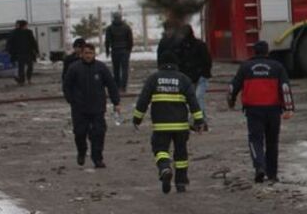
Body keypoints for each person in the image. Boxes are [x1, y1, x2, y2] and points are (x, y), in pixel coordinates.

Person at [132, 52, 205, 193]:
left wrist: (137, 118)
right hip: (181, 126)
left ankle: (165, 168)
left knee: (160, 150)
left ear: (160, 64)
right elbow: (193, 102)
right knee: (181, 154)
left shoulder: (154, 78)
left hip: (161, 126)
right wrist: (199, 120)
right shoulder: (183, 79)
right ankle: (181, 183)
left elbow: (143, 100)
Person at [228, 41, 295, 183]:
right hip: (273, 110)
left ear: (254, 52)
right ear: (267, 51)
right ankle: (272, 174)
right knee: (272, 142)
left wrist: (231, 101)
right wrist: (289, 108)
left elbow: (233, 87)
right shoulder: (277, 67)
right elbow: (285, 88)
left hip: (253, 110)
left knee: (255, 139)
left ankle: (259, 167)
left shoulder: (245, 67)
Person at [63, 43, 121, 168]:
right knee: (80, 132)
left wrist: (116, 102)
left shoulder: (101, 68)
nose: (88, 55)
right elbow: (67, 86)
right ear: (81, 54)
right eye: (86, 53)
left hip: (97, 108)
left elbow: (111, 85)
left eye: (91, 53)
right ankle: (82, 151)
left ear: (94, 54)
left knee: (98, 133)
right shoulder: (74, 68)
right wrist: (71, 100)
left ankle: (97, 158)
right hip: (79, 108)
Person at [175, 24, 213, 129]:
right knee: (196, 99)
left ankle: (199, 121)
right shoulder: (181, 47)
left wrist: (203, 73)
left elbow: (207, 61)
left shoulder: (198, 45)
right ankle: (202, 121)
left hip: (200, 77)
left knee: (197, 98)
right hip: (190, 78)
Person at [104, 11, 134, 93]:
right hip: (124, 50)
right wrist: (129, 50)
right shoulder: (126, 27)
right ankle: (123, 87)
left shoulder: (110, 28)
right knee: (124, 69)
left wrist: (107, 51)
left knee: (116, 69)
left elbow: (107, 41)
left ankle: (117, 86)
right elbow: (130, 40)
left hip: (115, 50)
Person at [6, 19, 38, 85]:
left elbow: (33, 42)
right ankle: (23, 81)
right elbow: (10, 42)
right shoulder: (15, 33)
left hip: (26, 53)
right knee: (22, 68)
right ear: (23, 26)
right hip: (21, 53)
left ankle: (27, 80)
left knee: (28, 67)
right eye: (26, 25)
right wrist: (10, 51)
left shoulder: (28, 32)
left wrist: (36, 50)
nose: (26, 26)